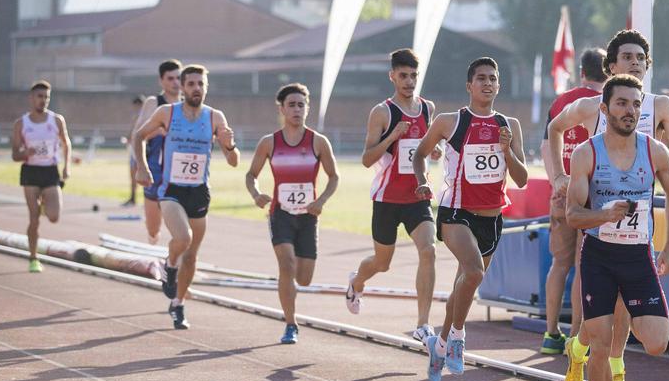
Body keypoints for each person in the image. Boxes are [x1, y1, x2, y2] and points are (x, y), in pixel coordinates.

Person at [547, 29, 669, 381]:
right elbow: (554, 129)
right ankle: (585, 347)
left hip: (638, 219)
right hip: (597, 218)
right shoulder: (593, 106)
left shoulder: (661, 105)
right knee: (598, 296)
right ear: (610, 66)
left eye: (641, 57)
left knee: (626, 304)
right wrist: (560, 178)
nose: (635, 63)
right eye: (627, 57)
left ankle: (615, 365)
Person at [565, 74, 669, 381]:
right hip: (599, 256)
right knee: (603, 342)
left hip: (638, 256)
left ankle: (576, 343)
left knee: (657, 342)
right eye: (621, 103)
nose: (629, 110)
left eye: (635, 104)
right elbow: (572, 215)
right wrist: (604, 214)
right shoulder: (587, 153)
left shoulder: (654, 151)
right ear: (604, 108)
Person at [413, 57, 528, 381]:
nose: (488, 83)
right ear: (469, 85)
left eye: (493, 78)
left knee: (461, 289)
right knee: (475, 272)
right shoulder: (451, 122)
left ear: (499, 85)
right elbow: (421, 153)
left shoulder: (509, 125)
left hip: (492, 219)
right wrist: (422, 180)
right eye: (481, 78)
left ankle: (441, 344)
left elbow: (519, 179)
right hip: (456, 213)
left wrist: (507, 152)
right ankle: (459, 338)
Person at [346, 48, 442, 344]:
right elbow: (366, 158)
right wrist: (392, 136)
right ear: (392, 77)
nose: (409, 81)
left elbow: (425, 152)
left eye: (414, 75)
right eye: (403, 76)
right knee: (382, 263)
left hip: (417, 196)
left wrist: (433, 152)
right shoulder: (382, 112)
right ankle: (356, 282)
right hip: (387, 199)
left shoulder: (427, 109)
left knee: (429, 250)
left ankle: (423, 324)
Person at [134, 64, 239, 329]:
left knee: (191, 256)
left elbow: (233, 161)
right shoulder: (167, 113)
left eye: (201, 84)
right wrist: (144, 168)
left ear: (206, 87)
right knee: (183, 238)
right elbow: (139, 136)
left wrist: (229, 145)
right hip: (172, 190)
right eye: (191, 84)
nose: (196, 89)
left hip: (199, 191)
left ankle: (178, 304)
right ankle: (170, 265)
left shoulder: (215, 117)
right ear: (182, 87)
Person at [246, 83, 339, 344]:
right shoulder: (269, 142)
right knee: (286, 265)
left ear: (307, 108)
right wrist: (256, 195)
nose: (297, 109)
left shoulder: (318, 142)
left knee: (304, 278)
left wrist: (321, 200)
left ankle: (292, 306)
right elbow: (251, 175)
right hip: (281, 214)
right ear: (282, 109)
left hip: (308, 216)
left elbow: (334, 176)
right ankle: (290, 323)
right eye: (292, 105)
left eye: (301, 105)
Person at [539, 47, 607, 355]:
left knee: (559, 263)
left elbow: (544, 144)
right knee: (584, 267)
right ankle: (577, 338)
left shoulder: (560, 102)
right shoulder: (602, 104)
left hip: (562, 189)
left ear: (582, 72)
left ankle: (551, 332)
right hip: (592, 194)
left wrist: (557, 180)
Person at [11, 80, 72, 273]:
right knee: (34, 218)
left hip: (50, 170)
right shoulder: (21, 123)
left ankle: (46, 202)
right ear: (31, 98)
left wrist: (66, 167)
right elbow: (14, 154)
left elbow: (66, 143)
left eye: (47, 97)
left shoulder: (56, 120)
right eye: (40, 96)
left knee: (53, 216)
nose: (43, 100)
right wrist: (26, 153)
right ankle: (33, 257)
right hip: (31, 172)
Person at [133, 59, 183, 244]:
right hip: (156, 171)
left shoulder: (187, 105)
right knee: (154, 228)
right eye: (170, 78)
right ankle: (152, 243)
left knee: (181, 225)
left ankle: (178, 261)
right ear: (161, 81)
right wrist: (141, 167)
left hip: (179, 173)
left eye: (179, 78)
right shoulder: (154, 103)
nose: (176, 82)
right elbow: (138, 135)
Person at [123, 95, 145, 207]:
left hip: (140, 149)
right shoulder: (137, 116)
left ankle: (140, 199)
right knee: (133, 174)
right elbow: (131, 132)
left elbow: (136, 132)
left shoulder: (143, 116)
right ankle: (133, 198)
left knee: (138, 173)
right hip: (133, 148)